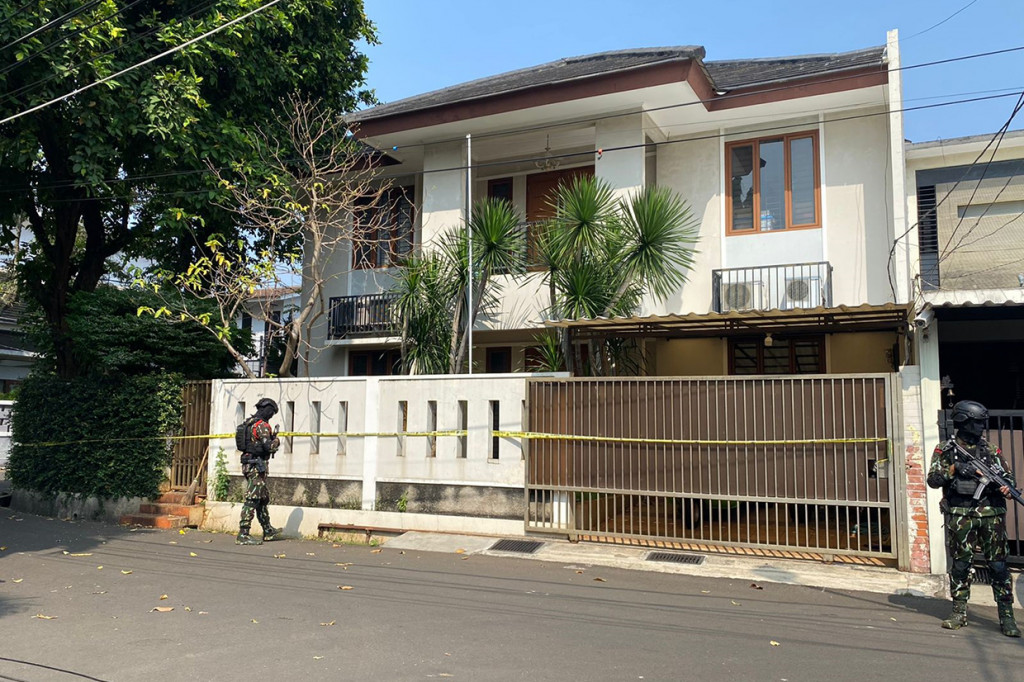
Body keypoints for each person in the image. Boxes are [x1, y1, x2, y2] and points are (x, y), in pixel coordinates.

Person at [927, 400, 1020, 637]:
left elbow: (1009, 479)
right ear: (963, 422)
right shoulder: (944, 450)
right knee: (961, 564)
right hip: (961, 515)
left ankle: (1007, 616)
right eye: (976, 423)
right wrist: (955, 469)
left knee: (998, 566)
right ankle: (959, 611)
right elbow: (933, 480)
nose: (981, 427)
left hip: (991, 515)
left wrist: (1007, 488)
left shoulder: (991, 450)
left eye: (981, 423)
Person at [236, 397, 283, 546]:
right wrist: (277, 441)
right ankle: (243, 533)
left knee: (262, 498)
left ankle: (268, 530)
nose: (271, 416)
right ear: (267, 410)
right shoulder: (262, 426)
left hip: (250, 464)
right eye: (271, 412)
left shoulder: (250, 423)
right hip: (256, 466)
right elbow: (269, 447)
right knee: (252, 499)